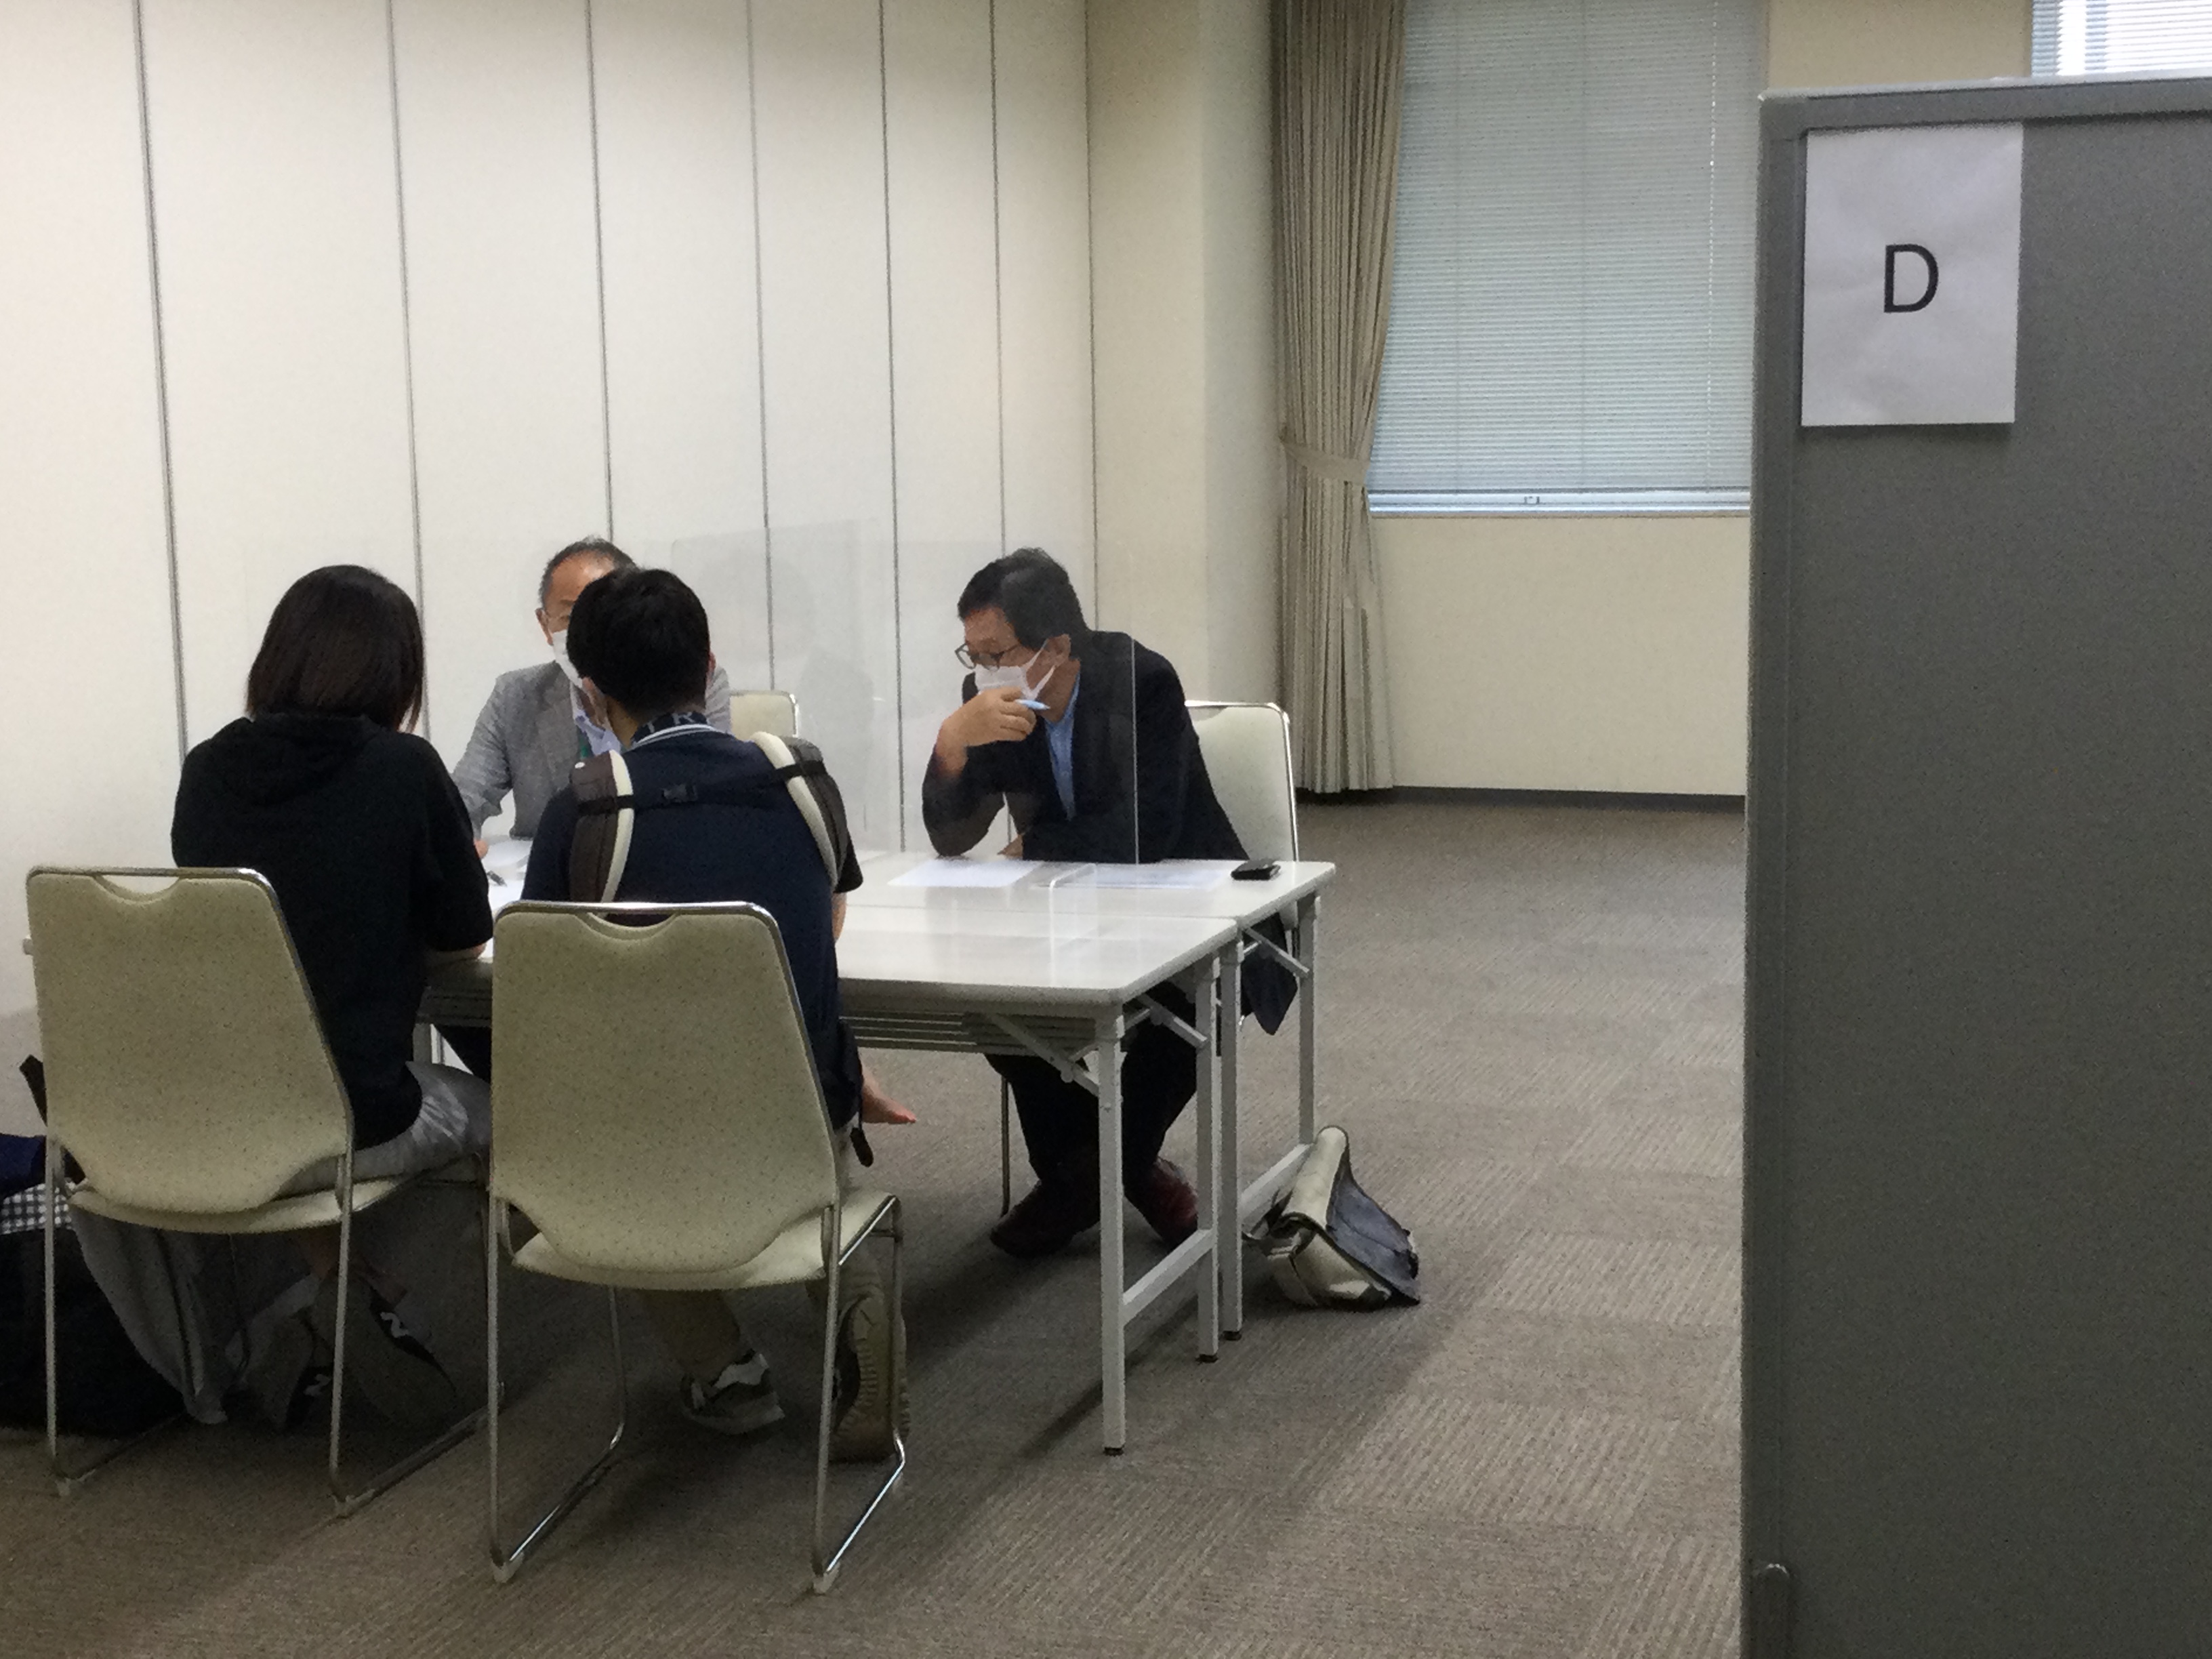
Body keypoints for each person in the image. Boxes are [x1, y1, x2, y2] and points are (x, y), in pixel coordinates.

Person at [75, 565, 493, 1429]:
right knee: (502, 1111)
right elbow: (463, 936)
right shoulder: (404, 768)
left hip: (213, 1109)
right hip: (346, 1118)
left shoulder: (209, 769)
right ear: (397, 674)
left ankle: (336, 1292)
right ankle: (391, 1309)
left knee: (308, 1097)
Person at [520, 567, 905, 1458]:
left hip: (648, 1126)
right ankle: (852, 1294)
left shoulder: (585, 810)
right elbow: (824, 925)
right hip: (796, 1108)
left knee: (601, 1170)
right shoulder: (803, 778)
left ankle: (725, 1371)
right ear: (709, 667)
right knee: (809, 1126)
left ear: (591, 694)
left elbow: (550, 983)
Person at [922, 548, 1275, 1259]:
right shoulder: (990, 700)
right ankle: (1127, 1174)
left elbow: (1143, 834)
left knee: (1187, 1006)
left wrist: (1035, 844)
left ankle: (1079, 1183)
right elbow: (954, 837)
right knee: (997, 1006)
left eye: (997, 654)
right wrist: (951, 743)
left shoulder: (1140, 681)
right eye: (973, 655)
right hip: (1064, 911)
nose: (984, 671)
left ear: (1056, 648)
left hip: (1184, 902)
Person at [451, 536, 734, 844]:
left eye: (604, 619)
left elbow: (708, 788)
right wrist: (454, 846)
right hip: (549, 864)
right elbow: (462, 799)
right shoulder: (515, 696)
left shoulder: (690, 683)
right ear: (545, 624)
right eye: (571, 618)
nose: (586, 636)